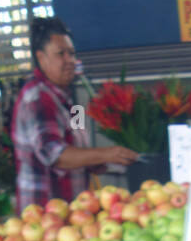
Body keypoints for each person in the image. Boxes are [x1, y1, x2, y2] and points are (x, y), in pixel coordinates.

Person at [11, 16, 138, 212]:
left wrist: (100, 161)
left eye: (72, 53)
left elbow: (79, 147)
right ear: (41, 58)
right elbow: (56, 155)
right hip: (43, 213)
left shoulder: (71, 100)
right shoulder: (37, 99)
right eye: (61, 54)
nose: (69, 61)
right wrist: (106, 153)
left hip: (73, 210)